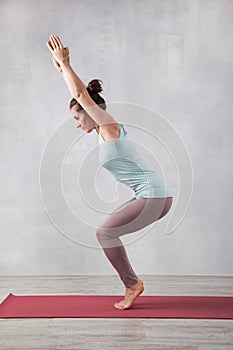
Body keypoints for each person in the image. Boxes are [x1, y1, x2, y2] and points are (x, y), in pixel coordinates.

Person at [46, 34, 173, 310]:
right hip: (152, 196)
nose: (77, 124)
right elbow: (79, 94)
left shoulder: (109, 126)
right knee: (106, 232)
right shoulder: (101, 132)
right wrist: (61, 70)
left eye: (77, 117)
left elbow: (81, 95)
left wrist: (66, 63)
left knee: (104, 234)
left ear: (92, 112)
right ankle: (132, 283)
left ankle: (132, 285)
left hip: (155, 197)